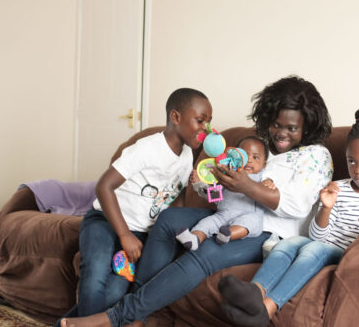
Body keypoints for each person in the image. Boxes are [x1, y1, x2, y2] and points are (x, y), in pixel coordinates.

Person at [61, 75, 333, 327]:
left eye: (292, 128)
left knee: (205, 252)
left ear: (307, 125)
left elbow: (296, 205)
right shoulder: (259, 148)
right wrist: (213, 184)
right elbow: (222, 198)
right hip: (230, 211)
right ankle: (134, 307)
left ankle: (120, 315)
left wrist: (246, 185)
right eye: (276, 124)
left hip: (263, 230)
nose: (281, 133)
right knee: (168, 220)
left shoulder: (317, 156)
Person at [218, 105, 359, 327]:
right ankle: (255, 291)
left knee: (313, 249)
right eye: (352, 161)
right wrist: (326, 207)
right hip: (326, 245)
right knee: (289, 243)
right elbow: (318, 236)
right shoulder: (338, 188)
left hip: (350, 253)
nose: (358, 170)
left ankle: (268, 308)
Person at [55, 88, 212, 326]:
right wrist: (124, 234)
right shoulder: (148, 147)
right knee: (95, 275)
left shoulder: (188, 155)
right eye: (200, 120)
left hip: (140, 235)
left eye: (208, 122)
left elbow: (174, 200)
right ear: (176, 117)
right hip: (107, 221)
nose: (206, 128)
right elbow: (104, 186)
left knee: (117, 291)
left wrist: (188, 192)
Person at [176, 136, 270, 249]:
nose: (249, 160)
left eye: (255, 157)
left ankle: (228, 235)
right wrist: (199, 184)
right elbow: (215, 197)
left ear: (264, 164)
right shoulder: (228, 174)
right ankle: (194, 239)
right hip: (222, 215)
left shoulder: (262, 177)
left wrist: (269, 183)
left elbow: (269, 195)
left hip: (248, 215)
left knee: (252, 222)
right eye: (243, 156)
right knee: (207, 223)